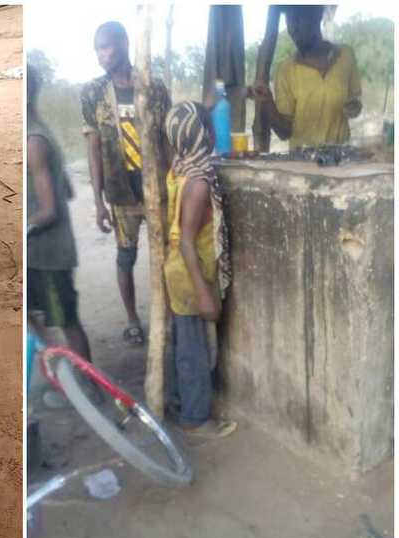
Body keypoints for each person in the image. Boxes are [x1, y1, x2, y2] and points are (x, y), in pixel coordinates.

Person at [81, 21, 171, 347]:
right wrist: (98, 202)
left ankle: (167, 315)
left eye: (107, 47)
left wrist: (173, 186)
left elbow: (166, 141)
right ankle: (133, 319)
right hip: (120, 193)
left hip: (156, 189)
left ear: (124, 43)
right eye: (97, 49)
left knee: (166, 255)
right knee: (125, 258)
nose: (102, 55)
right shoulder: (93, 93)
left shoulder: (154, 88)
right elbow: (93, 148)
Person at [161, 101, 237, 439]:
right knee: (194, 348)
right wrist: (205, 293)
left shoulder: (179, 166)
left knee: (184, 343)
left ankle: (180, 401)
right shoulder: (199, 182)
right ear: (206, 134)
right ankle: (196, 418)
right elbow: (189, 240)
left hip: (179, 271)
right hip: (190, 274)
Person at [26, 65, 91, 363]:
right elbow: (68, 189)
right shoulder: (39, 129)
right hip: (44, 252)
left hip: (47, 254)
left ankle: (85, 386)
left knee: (66, 321)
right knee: (36, 317)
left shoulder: (34, 141)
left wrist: (25, 223)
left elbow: (49, 210)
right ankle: (64, 378)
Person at [253, 5, 362, 149]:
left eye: (298, 19)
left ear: (316, 16)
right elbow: (284, 133)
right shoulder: (286, 70)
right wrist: (267, 101)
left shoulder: (346, 56)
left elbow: (355, 103)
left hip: (341, 160)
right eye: (289, 22)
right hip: (302, 162)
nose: (293, 29)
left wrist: (354, 107)